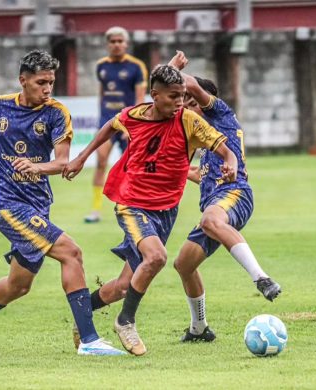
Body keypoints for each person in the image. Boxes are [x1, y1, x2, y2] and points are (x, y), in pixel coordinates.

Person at [0, 50, 125, 356]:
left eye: (51, 82)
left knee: (18, 285)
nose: (47, 88)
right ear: (23, 80)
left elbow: (63, 162)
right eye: (41, 82)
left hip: (38, 205)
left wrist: (37, 166)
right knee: (72, 253)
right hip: (7, 205)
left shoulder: (56, 113)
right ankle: (90, 341)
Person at [63, 64, 238, 356]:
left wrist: (230, 160)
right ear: (154, 96)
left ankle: (84, 318)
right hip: (132, 204)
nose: (180, 103)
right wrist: (81, 157)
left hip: (166, 210)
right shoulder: (134, 115)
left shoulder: (190, 122)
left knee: (122, 286)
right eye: (173, 97)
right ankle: (125, 322)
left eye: (183, 96)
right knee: (156, 256)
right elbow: (110, 125)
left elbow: (225, 148)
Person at [167, 51, 281, 342]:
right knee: (183, 264)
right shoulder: (200, 139)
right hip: (215, 207)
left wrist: (172, 70)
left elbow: (189, 83)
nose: (188, 109)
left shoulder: (222, 116)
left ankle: (261, 278)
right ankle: (199, 328)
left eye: (192, 103)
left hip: (235, 194)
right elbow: (198, 174)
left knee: (209, 219)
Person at [84, 26, 148, 223]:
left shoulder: (136, 67)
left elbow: (139, 100)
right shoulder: (101, 66)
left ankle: (133, 206)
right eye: (113, 41)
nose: (116, 45)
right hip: (106, 121)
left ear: (126, 44)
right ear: (107, 44)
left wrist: (133, 125)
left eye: (120, 41)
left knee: (131, 166)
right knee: (101, 161)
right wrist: (102, 120)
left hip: (128, 122)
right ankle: (95, 210)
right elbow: (102, 95)